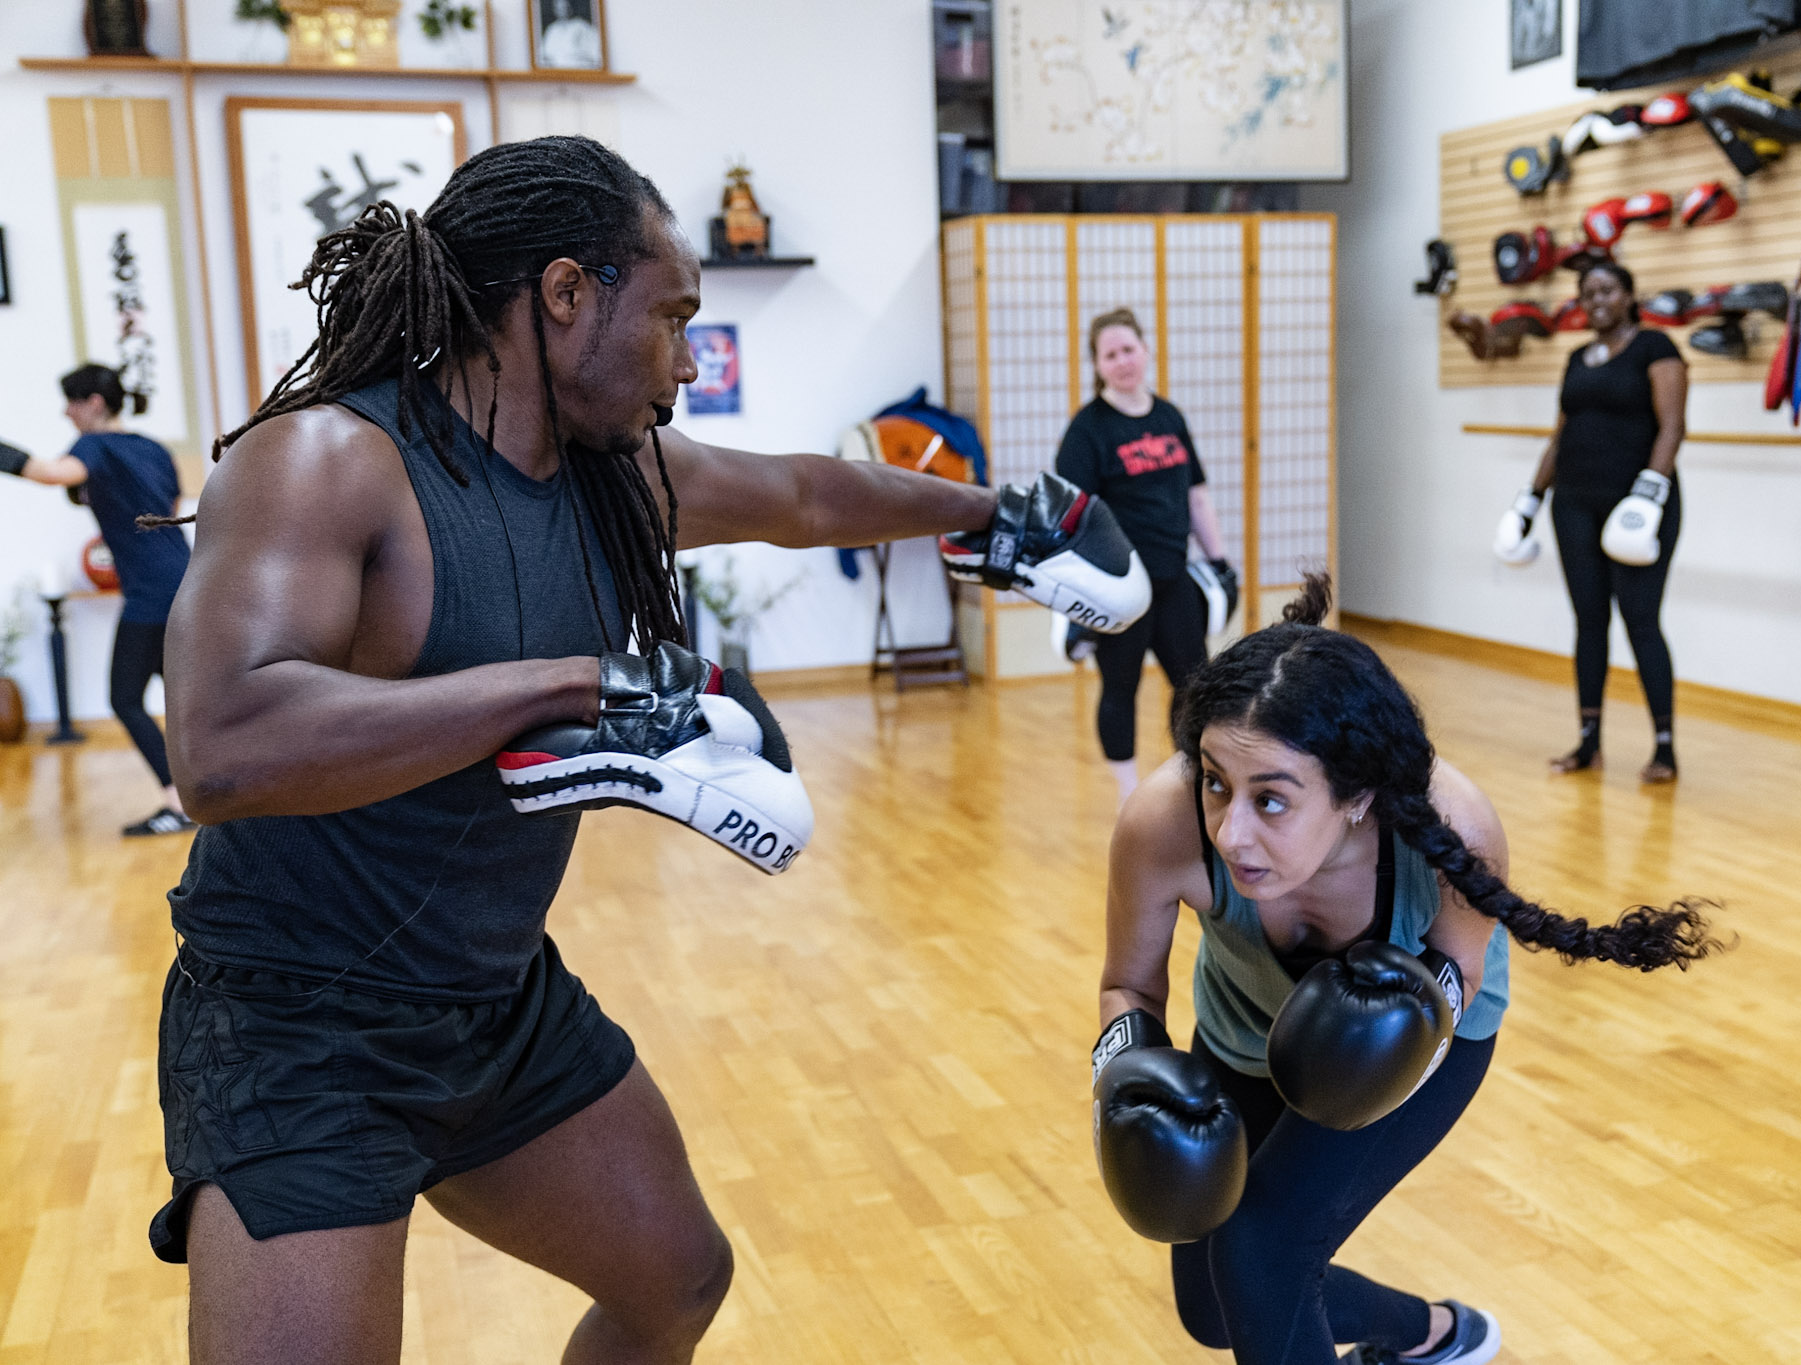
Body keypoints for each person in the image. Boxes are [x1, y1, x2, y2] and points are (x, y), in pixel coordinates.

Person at [149, 135, 1139, 1363]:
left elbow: (803, 497)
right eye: (669, 319)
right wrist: (579, 685)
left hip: (492, 1005)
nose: (682, 363)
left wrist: (998, 517)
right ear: (565, 293)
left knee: (674, 1282)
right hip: (296, 1024)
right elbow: (222, 744)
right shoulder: (328, 461)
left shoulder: (608, 472)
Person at [1092, 575, 1720, 1364]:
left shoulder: (1451, 826)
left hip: (1419, 1029)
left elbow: (1455, 966)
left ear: (1355, 794)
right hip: (1243, 1030)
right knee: (1214, 1310)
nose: (1231, 832)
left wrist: (1406, 1021)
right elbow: (1129, 985)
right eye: (1216, 783)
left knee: (1260, 1249)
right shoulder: (1163, 822)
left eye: (1273, 800)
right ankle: (1430, 1333)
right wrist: (1126, 1070)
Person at [1493, 260, 1688, 783]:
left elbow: (1672, 427)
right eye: (1587, 293)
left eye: (1606, 290)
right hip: (1574, 503)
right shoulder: (1577, 358)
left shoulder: (1656, 348)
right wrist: (1528, 503)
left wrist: (1650, 494)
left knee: (1641, 620)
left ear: (1629, 295)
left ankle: (1664, 747)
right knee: (1589, 621)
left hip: (1637, 506)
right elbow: (1560, 436)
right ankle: (1588, 743)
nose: (1596, 299)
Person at [0, 364, 195, 835]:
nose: (65, 412)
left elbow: (50, 473)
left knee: (124, 698)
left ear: (94, 403)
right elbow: (165, 508)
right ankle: (217, 797)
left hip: (151, 592)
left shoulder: (94, 445)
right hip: (189, 580)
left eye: (71, 401)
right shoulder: (152, 448)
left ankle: (179, 802)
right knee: (187, 699)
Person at [1055, 307, 1234, 802]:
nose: (1123, 361)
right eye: (1110, 354)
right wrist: (1080, 593)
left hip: (1174, 578)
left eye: (1128, 349)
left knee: (1195, 686)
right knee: (1121, 688)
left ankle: (1189, 782)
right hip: (1121, 585)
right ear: (1097, 365)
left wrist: (1219, 561)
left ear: (1146, 351)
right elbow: (1073, 515)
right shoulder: (1088, 430)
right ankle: (1128, 795)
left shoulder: (1168, 416)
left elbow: (1196, 495)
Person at [538, 0, 604, 68]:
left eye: (564, 6)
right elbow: (542, 57)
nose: (562, 10)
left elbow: (597, 58)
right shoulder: (551, 30)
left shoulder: (583, 27)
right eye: (559, 7)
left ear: (570, 7)